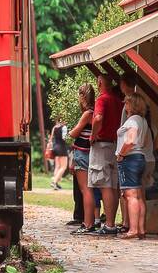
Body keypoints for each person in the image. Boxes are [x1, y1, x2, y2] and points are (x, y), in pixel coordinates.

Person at [86, 71, 123, 235]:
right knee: (113, 185)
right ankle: (112, 222)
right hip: (114, 144)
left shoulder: (102, 99)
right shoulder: (117, 100)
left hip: (101, 144)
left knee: (105, 184)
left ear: (100, 82)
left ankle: (109, 225)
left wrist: (93, 134)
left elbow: (99, 117)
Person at [116, 93, 154, 240]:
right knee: (138, 195)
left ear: (132, 105)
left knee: (130, 195)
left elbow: (130, 140)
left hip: (130, 159)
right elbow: (143, 142)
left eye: (126, 103)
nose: (125, 105)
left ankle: (132, 229)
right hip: (140, 158)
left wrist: (121, 154)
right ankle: (141, 229)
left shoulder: (132, 121)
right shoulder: (143, 121)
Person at [67, 83, 94, 230]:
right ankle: (90, 221)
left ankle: (87, 222)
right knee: (89, 189)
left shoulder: (87, 113)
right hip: (87, 152)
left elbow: (74, 133)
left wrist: (71, 131)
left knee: (85, 190)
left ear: (83, 97)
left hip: (82, 152)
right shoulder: (94, 111)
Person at [49, 121, 69, 188]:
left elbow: (51, 138)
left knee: (57, 166)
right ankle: (54, 182)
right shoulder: (64, 127)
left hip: (55, 147)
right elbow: (64, 138)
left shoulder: (55, 127)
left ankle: (56, 183)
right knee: (63, 167)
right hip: (62, 148)